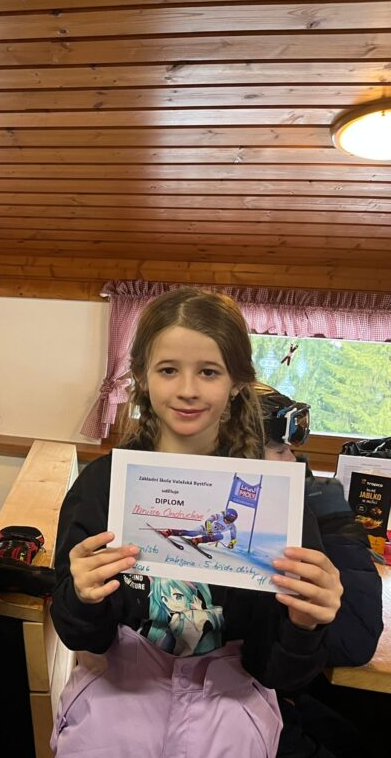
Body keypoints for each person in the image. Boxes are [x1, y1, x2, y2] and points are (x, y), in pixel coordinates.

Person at [50, 287, 343, 758]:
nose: (187, 389)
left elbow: (282, 674)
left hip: (230, 726)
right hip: (113, 722)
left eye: (209, 371)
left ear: (237, 382)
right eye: (168, 370)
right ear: (142, 377)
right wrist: (81, 596)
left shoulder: (274, 499)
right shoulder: (102, 485)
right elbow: (81, 635)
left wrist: (305, 623)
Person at [255, 383, 383, 758]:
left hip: (273, 694)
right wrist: (337, 525)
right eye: (281, 450)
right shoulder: (263, 537)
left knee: (352, 736)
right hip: (255, 710)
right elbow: (354, 642)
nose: (294, 461)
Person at [156, 507, 239, 548]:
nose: (228, 522)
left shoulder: (232, 526)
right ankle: (169, 532)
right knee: (192, 533)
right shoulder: (219, 515)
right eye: (227, 519)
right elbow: (208, 521)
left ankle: (197, 540)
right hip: (204, 528)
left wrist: (232, 544)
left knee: (220, 536)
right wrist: (209, 530)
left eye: (230, 521)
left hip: (212, 534)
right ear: (225, 515)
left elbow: (234, 538)